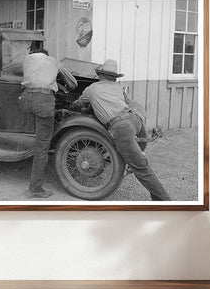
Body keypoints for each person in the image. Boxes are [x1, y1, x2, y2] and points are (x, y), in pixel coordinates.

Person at [71, 59, 170, 201]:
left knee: (142, 169)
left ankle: (165, 202)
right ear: (114, 77)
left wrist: (76, 105)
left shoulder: (91, 88)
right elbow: (127, 102)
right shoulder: (119, 88)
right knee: (135, 150)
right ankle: (138, 153)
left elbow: (80, 103)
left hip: (120, 126)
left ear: (100, 75)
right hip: (134, 120)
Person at [18, 48, 65, 199]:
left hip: (24, 100)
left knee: (36, 122)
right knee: (42, 147)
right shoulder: (53, 61)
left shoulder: (26, 60)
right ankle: (35, 188)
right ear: (46, 55)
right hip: (43, 101)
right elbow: (72, 82)